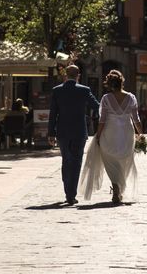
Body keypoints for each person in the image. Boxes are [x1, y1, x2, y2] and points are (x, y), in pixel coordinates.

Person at [79, 70, 143, 204]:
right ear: (122, 83)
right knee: (125, 160)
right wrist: (140, 134)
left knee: (110, 159)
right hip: (126, 133)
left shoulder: (106, 98)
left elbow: (102, 120)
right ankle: (119, 187)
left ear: (110, 84)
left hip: (110, 132)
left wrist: (98, 135)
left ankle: (115, 187)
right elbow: (136, 119)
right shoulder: (131, 97)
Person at [47, 65, 100, 205]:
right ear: (78, 75)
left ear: (65, 75)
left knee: (66, 161)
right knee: (76, 163)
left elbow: (53, 114)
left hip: (62, 132)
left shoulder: (57, 91)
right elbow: (97, 107)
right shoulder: (85, 90)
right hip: (79, 131)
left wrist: (51, 133)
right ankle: (71, 194)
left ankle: (67, 192)